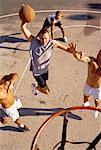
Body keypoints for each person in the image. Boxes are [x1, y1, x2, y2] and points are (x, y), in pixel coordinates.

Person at [20, 20, 75, 95]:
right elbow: (23, 28)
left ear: (49, 37)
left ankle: (38, 87)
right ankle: (35, 87)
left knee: (44, 83)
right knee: (46, 91)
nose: (44, 41)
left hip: (45, 69)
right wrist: (24, 21)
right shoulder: (34, 41)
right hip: (37, 72)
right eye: (42, 38)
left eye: (46, 38)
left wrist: (73, 51)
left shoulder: (52, 43)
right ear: (39, 37)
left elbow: (66, 49)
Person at [72, 43, 101, 118]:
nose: (99, 56)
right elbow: (82, 59)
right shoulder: (91, 61)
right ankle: (86, 104)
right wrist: (76, 54)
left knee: (97, 100)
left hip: (97, 88)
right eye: (99, 54)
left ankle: (96, 109)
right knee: (85, 96)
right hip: (88, 84)